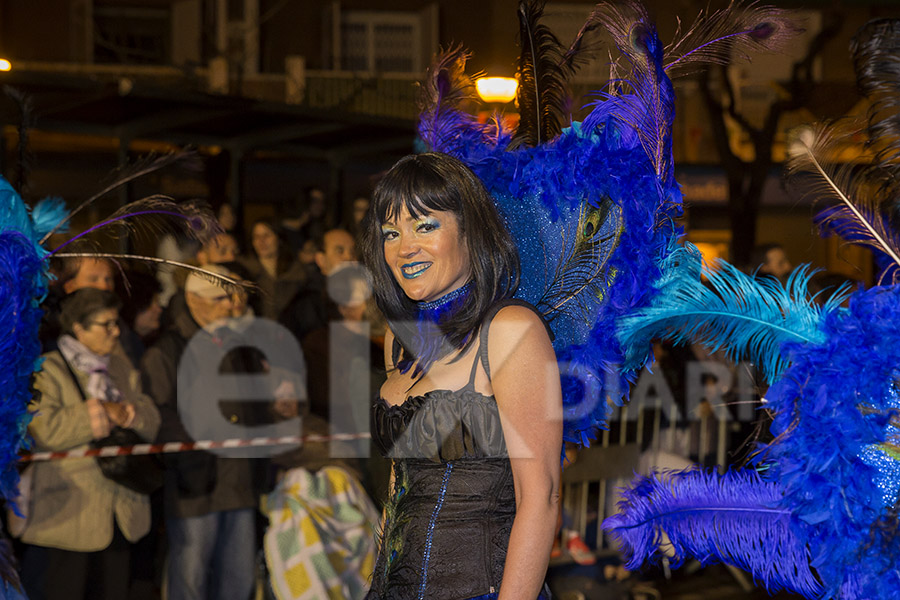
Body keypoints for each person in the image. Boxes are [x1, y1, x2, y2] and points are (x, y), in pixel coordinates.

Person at [361, 153, 561, 600]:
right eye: (390, 233)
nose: (403, 247)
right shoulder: (402, 341)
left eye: (424, 226)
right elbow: (401, 487)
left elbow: (542, 498)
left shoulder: (509, 331)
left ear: (470, 230)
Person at [20, 288, 161, 600]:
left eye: (116, 324)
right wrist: (99, 413)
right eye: (106, 324)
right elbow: (44, 430)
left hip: (121, 513)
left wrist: (131, 415)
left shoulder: (121, 367)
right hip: (68, 517)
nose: (115, 332)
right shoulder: (47, 370)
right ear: (79, 329)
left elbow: (152, 420)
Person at [241, 218, 306, 322]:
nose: (261, 241)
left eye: (266, 235)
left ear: (278, 238)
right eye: (256, 237)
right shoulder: (245, 270)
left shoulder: (296, 270)